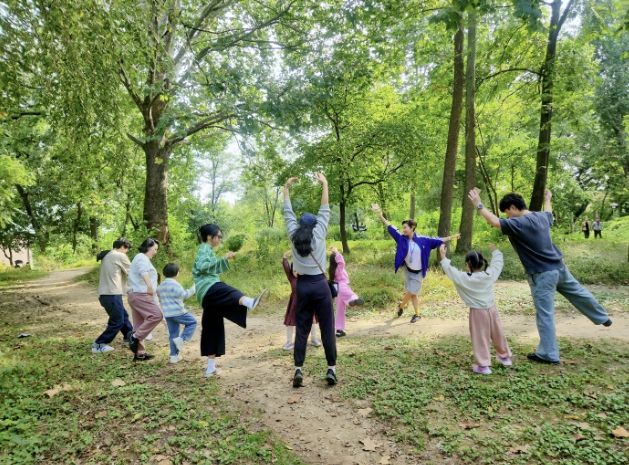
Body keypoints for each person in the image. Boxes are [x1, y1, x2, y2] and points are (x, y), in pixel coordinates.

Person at [468, 187, 613, 365]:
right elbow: (549, 212)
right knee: (579, 293)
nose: (507, 216)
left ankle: (549, 354)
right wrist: (547, 198)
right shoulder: (541, 217)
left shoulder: (520, 223)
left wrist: (478, 204)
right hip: (559, 267)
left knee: (545, 314)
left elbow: (495, 222)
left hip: (542, 274)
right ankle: (602, 316)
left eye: (507, 212)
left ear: (513, 207)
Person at [283, 173, 337, 388]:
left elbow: (287, 212)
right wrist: (325, 184)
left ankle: (298, 369)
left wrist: (286, 188)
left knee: (302, 328)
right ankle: (331, 369)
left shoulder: (293, 234)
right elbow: (325, 209)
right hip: (321, 286)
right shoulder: (319, 233)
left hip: (302, 287)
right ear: (315, 225)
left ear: (299, 225)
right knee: (327, 327)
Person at [193, 224, 267, 378]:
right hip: (208, 288)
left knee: (212, 327)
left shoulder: (208, 250)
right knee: (226, 290)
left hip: (206, 294)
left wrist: (224, 259)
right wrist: (224, 258)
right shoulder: (204, 249)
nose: (220, 239)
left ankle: (210, 368)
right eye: (219, 236)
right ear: (209, 237)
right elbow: (202, 266)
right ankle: (249, 302)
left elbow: (211, 268)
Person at [372, 204, 459, 323]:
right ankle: (417, 314)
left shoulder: (423, 240)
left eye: (405, 227)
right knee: (413, 294)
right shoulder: (401, 238)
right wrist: (380, 215)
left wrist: (452, 237)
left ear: (412, 227)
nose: (403, 230)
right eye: (403, 228)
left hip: (419, 272)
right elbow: (390, 227)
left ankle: (401, 306)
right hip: (408, 271)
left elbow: (438, 240)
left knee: (412, 291)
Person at [439, 243, 512, 374]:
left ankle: (483, 366)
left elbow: (450, 271)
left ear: (468, 264)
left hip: (478, 312)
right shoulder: (488, 275)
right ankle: (505, 357)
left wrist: (443, 256)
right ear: (481, 263)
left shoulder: (464, 278)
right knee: (498, 333)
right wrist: (495, 251)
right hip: (492, 309)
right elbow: (497, 265)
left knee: (480, 337)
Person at [92, 237, 132, 354]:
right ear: (123, 247)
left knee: (123, 316)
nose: (126, 253)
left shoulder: (108, 255)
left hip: (106, 294)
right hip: (112, 294)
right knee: (117, 320)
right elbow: (132, 272)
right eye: (127, 250)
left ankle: (130, 336)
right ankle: (99, 344)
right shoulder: (120, 255)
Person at [127, 238, 162, 361]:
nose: (155, 252)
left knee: (139, 324)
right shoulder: (141, 257)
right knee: (157, 315)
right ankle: (134, 337)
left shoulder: (142, 258)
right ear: (148, 247)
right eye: (155, 249)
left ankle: (140, 354)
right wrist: (150, 286)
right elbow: (143, 272)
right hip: (140, 294)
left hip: (135, 295)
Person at [157, 263, 197, 364]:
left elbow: (159, 295)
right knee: (192, 322)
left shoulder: (161, 285)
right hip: (178, 312)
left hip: (168, 314)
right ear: (177, 273)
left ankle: (173, 356)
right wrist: (193, 288)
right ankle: (182, 339)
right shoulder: (175, 284)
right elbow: (184, 295)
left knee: (173, 334)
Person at [281, 251, 322, 350]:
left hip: (307, 303)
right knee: (290, 322)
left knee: (312, 320)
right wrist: (285, 258)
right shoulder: (292, 278)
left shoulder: (307, 278)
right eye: (294, 270)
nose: (296, 272)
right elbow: (286, 268)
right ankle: (289, 342)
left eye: (298, 270)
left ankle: (314, 339)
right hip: (294, 304)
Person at [329, 246, 364, 337]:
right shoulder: (339, 268)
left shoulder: (332, 270)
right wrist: (336, 252)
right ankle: (352, 301)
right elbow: (342, 262)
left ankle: (339, 330)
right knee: (352, 296)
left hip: (337, 290)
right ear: (336, 260)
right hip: (343, 286)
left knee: (340, 310)